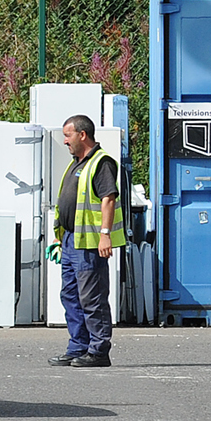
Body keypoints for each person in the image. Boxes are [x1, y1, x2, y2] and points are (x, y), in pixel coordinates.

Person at [50, 114, 121, 366]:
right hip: (70, 241)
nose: (65, 141)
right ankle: (78, 346)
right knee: (70, 295)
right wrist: (60, 239)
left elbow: (108, 199)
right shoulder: (76, 163)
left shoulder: (100, 163)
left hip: (90, 243)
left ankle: (98, 350)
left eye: (68, 135)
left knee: (92, 298)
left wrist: (105, 235)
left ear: (82, 134)